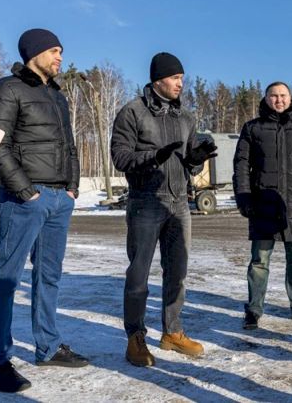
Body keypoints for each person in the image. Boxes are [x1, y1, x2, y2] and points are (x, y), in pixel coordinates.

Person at [0, 28, 87, 393]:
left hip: (59, 198)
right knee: (7, 279)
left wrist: (72, 187)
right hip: (25, 199)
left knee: (49, 276)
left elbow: (70, 147)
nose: (60, 57)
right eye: (54, 51)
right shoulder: (6, 89)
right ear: (34, 53)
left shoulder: (57, 96)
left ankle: (49, 347)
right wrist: (26, 192)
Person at [111, 52, 216, 366]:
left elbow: (189, 164)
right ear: (158, 80)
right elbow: (120, 158)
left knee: (177, 273)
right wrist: (154, 157)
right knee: (139, 274)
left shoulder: (185, 117)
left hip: (179, 202)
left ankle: (172, 332)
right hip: (146, 201)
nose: (180, 83)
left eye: (182, 78)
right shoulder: (133, 112)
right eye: (175, 78)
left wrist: (196, 159)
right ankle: (135, 337)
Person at [233, 81, 292, 330]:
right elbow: (241, 166)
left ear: (290, 98)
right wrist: (243, 198)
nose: (279, 100)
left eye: (283, 95)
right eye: (274, 96)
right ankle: (254, 309)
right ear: (266, 99)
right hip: (263, 206)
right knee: (259, 262)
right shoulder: (252, 128)